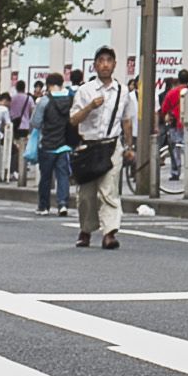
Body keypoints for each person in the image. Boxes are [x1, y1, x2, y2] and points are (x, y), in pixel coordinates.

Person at [70, 47, 126, 249]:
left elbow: (126, 119)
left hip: (111, 145)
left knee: (109, 190)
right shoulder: (85, 90)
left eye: (109, 60)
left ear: (114, 64)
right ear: (95, 65)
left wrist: (129, 145)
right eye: (101, 60)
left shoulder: (123, 91)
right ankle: (85, 230)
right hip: (89, 146)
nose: (105, 64)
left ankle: (110, 232)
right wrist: (90, 107)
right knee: (86, 194)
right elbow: (74, 119)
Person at [35, 72, 74, 215]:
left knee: (45, 176)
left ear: (48, 85)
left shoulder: (44, 101)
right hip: (64, 144)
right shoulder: (70, 100)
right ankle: (62, 204)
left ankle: (44, 206)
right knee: (63, 175)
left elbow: (35, 122)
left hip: (47, 144)